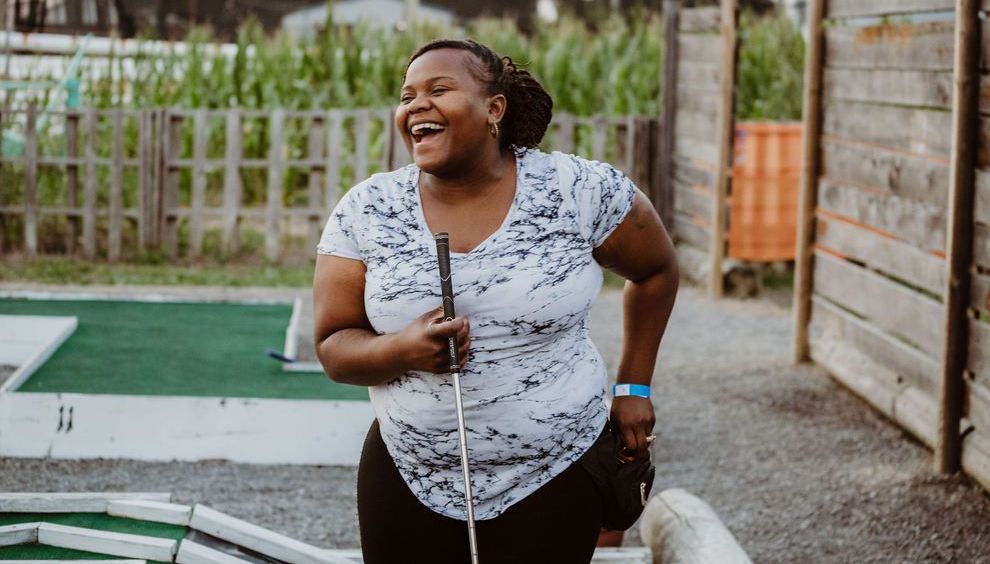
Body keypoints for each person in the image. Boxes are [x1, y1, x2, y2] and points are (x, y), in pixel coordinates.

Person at [313, 38, 678, 563]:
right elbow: (333, 347)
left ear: (494, 108)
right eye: (407, 95)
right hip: (409, 472)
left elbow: (656, 271)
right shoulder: (368, 210)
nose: (416, 105)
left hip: (556, 471)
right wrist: (404, 349)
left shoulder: (578, 189)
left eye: (439, 89)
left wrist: (633, 386)